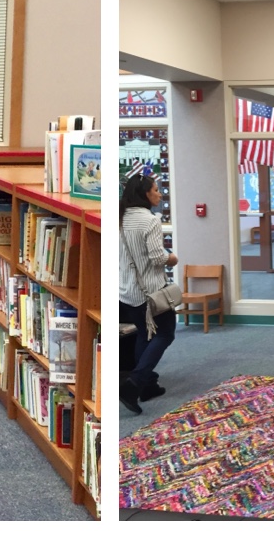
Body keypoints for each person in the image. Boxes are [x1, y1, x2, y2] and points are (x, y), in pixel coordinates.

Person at [119, 172, 177, 415]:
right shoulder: (150, 220)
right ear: (145, 194)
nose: (159, 193)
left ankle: (148, 386)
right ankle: (134, 384)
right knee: (165, 333)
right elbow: (156, 257)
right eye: (156, 189)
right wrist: (171, 258)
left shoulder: (119, 217)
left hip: (125, 291)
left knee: (144, 335)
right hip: (150, 292)